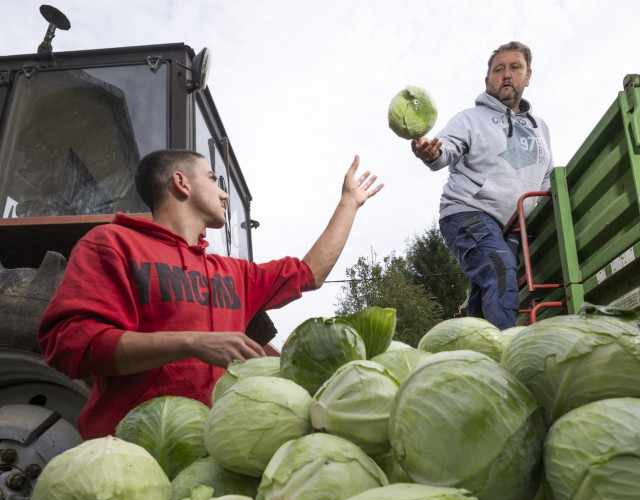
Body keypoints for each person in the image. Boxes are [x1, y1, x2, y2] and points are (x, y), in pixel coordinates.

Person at [38, 149, 383, 439]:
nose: (224, 194)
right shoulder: (111, 244)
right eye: (213, 179)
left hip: (213, 450)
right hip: (131, 449)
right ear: (181, 182)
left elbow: (310, 273)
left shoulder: (232, 272)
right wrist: (191, 342)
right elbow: (70, 344)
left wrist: (348, 205)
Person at [411, 41, 553, 329]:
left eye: (515, 67)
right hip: (468, 212)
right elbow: (445, 150)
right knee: (500, 269)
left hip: (513, 227)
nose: (506, 74)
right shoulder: (469, 119)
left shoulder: (541, 128)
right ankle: (505, 360)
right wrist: (433, 152)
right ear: (487, 80)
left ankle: (474, 359)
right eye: (498, 69)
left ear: (527, 77)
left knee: (483, 301)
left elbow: (547, 178)